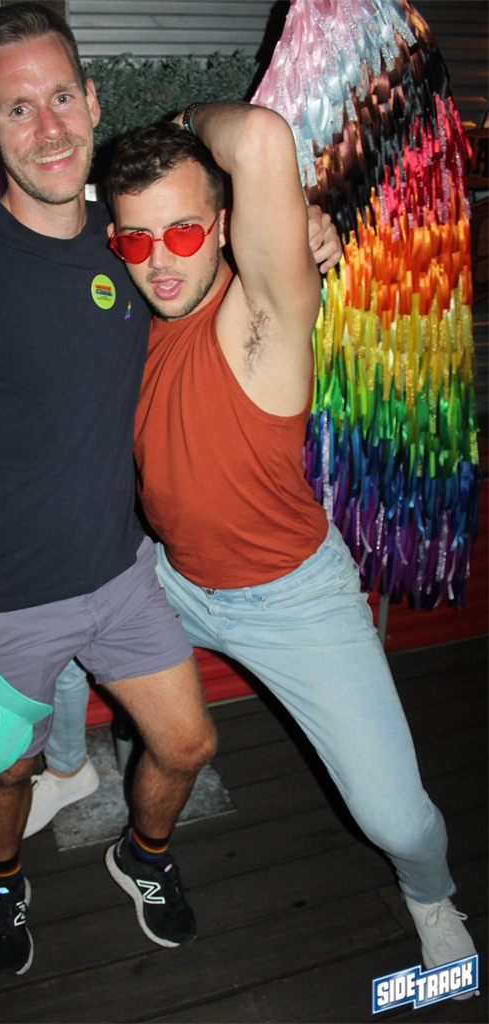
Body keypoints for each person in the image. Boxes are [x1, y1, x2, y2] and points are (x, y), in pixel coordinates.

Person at [33, 106, 477, 981]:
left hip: (291, 598)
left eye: (184, 230)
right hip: (170, 577)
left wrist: (183, 122)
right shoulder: (125, 320)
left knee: (396, 819)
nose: (160, 261)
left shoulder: (259, 313)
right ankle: (71, 768)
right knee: (57, 619)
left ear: (227, 224)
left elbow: (263, 142)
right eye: (135, 240)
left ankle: (431, 896)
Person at [0, 2, 220, 975]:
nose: (50, 127)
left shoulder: (133, 243)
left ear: (93, 100)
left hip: (120, 575)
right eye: (17, 109)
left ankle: (142, 855)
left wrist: (307, 233)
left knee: (186, 744)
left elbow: (230, 239)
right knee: (4, 773)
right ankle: (1, 882)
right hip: (1, 605)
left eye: (62, 97)